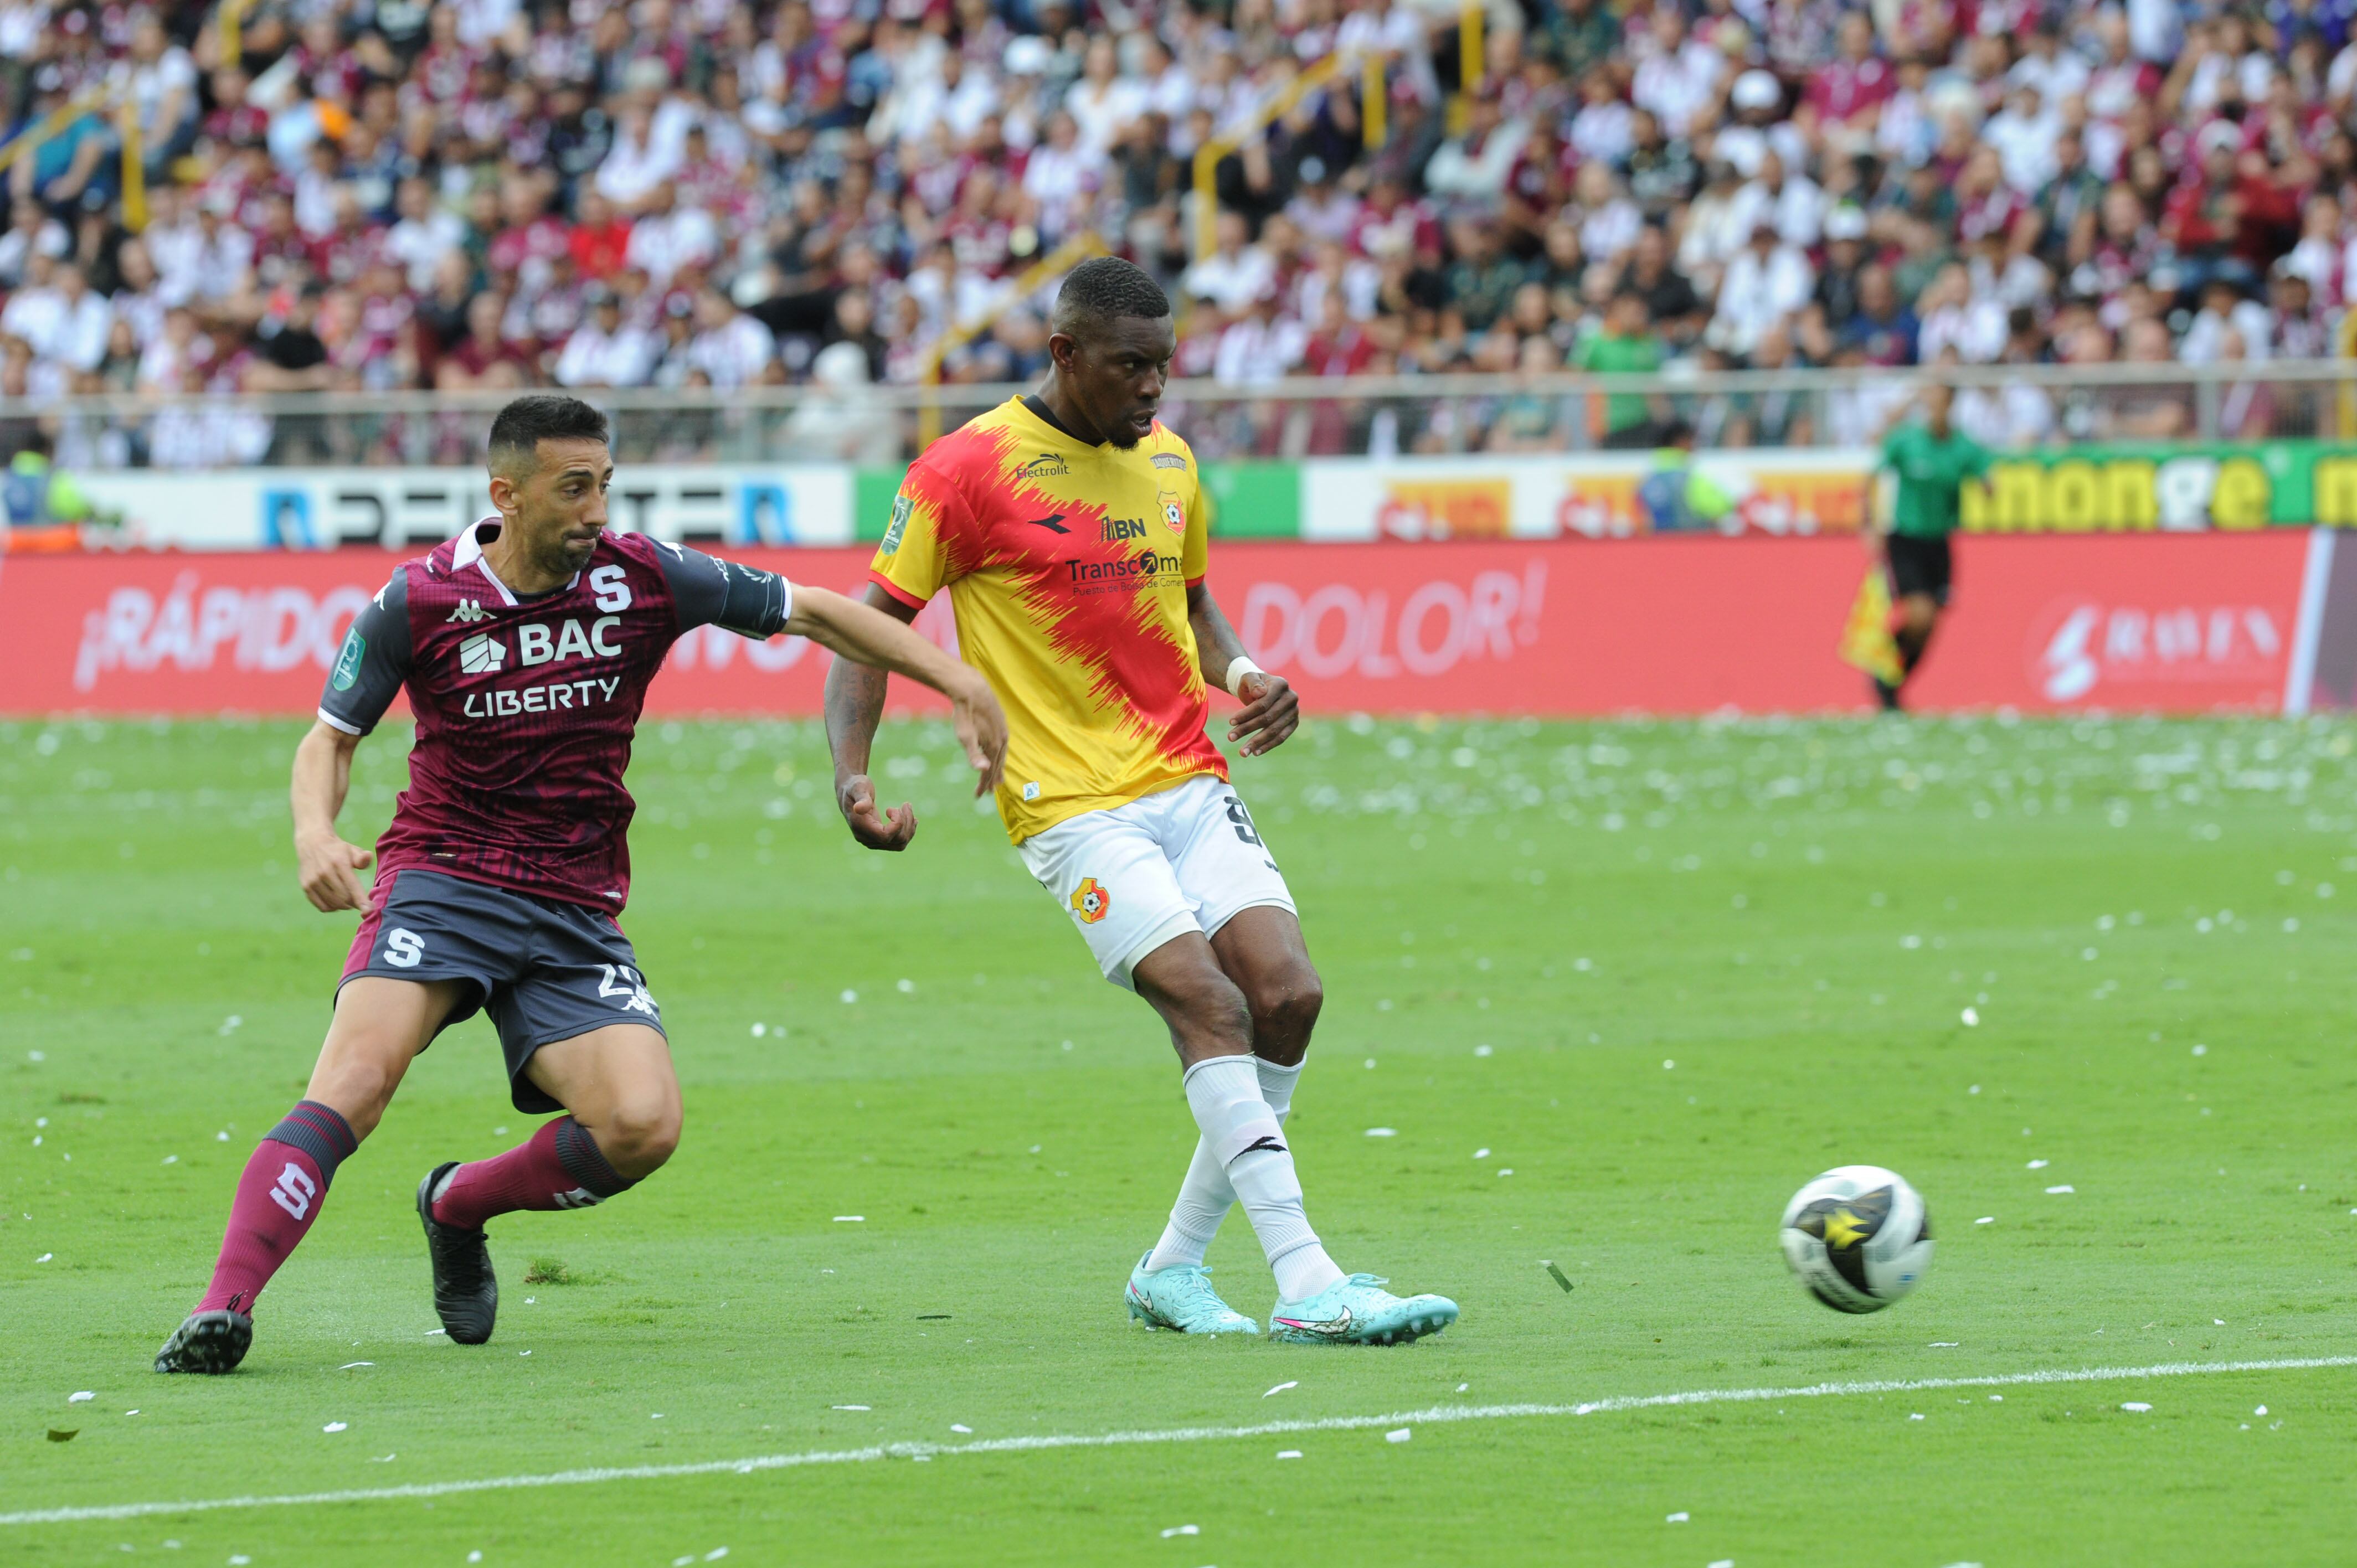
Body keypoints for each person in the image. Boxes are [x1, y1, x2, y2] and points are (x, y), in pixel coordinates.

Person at [155, 395, 1007, 1374]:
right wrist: (314, 830)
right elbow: (330, 738)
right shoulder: (418, 599)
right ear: (505, 495)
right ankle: (222, 1309)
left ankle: (456, 1202)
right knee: (352, 1086)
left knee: (643, 1127)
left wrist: (959, 679)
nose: (597, 508)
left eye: (604, 483)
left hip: (572, 905)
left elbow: (813, 610)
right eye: (574, 488)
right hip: (444, 878)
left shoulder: (643, 576)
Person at [824, 257, 1458, 1345]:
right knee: (1207, 1005)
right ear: (1065, 355)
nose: (1154, 389)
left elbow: (1194, 605)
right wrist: (855, 773)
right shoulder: (964, 472)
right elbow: (864, 628)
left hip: (1185, 776)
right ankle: (1307, 1281)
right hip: (1067, 802)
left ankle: (1171, 1269)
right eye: (1131, 367)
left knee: (1288, 995)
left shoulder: (1169, 462)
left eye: (1165, 366)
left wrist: (1248, 674)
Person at [1867, 383, 1993, 711]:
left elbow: (1986, 472)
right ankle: (1882, 667)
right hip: (1907, 538)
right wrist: (1870, 524)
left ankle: (1891, 684)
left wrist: (1990, 485)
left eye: (1939, 401)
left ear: (1951, 404)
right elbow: (1872, 477)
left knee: (1930, 627)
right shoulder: (1906, 440)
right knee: (1919, 615)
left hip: (1939, 542)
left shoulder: (1962, 446)